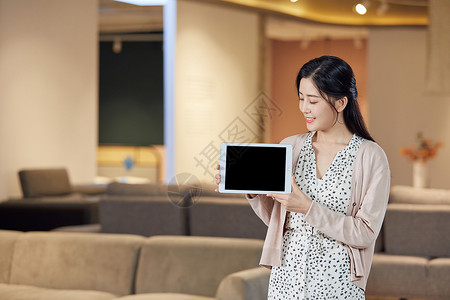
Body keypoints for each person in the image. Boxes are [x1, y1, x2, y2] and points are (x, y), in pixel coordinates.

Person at [215, 55, 390, 299]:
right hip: (286, 279)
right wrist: (253, 190)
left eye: (313, 100)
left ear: (341, 102)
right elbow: (277, 221)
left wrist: (308, 208)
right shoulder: (291, 147)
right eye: (301, 98)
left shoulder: (370, 156)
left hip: (337, 284)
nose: (303, 108)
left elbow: (365, 233)